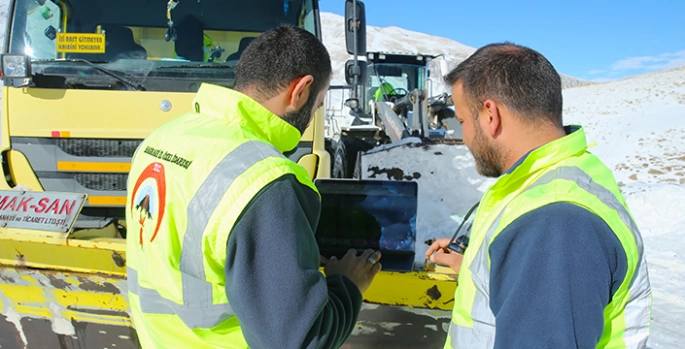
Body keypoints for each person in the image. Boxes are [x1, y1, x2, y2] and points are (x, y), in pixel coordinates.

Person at [125, 25, 383, 349]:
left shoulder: (161, 139)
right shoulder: (266, 181)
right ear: (300, 91)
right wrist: (348, 283)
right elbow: (300, 341)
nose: (313, 113)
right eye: (317, 105)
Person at [425, 42, 652, 349]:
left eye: (463, 121)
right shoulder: (565, 177)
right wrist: (480, 267)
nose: (463, 136)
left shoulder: (554, 223)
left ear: (490, 115)